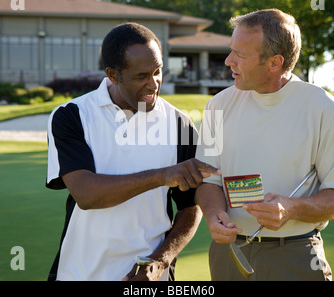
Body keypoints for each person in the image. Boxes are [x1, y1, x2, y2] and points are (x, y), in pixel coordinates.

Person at [46, 22, 221, 281]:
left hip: (150, 279)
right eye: (142, 76)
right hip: (80, 273)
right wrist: (163, 176)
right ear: (113, 75)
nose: (154, 84)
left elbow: (189, 208)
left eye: (158, 71)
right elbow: (86, 194)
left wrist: (160, 261)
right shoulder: (71, 116)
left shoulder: (179, 123)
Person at [195, 9, 334, 281]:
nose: (228, 61)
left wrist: (291, 207)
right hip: (229, 255)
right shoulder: (217, 106)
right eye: (231, 50)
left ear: (274, 62)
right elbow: (209, 181)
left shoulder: (327, 110)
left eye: (240, 55)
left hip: (296, 254)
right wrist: (213, 214)